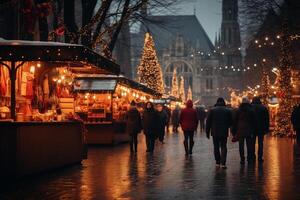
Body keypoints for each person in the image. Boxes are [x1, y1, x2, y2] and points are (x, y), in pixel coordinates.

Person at [206, 98, 232, 169]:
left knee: (216, 147)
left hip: (215, 132)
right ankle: (223, 163)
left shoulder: (212, 110)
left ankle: (217, 162)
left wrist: (207, 132)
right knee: (224, 146)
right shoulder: (227, 110)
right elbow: (231, 122)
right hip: (224, 131)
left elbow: (208, 122)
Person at [232, 97, 257, 164]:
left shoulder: (238, 110)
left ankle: (242, 159)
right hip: (249, 129)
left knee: (241, 146)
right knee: (249, 145)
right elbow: (254, 121)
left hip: (240, 130)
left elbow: (235, 122)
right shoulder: (251, 110)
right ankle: (249, 159)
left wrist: (234, 131)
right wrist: (254, 130)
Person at [251, 97, 269, 162]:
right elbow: (267, 119)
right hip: (261, 128)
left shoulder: (250, 107)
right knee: (260, 143)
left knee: (252, 143)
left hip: (252, 128)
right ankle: (260, 157)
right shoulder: (263, 108)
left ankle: (252, 157)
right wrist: (266, 129)